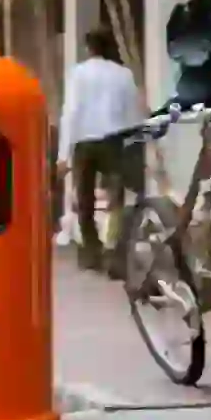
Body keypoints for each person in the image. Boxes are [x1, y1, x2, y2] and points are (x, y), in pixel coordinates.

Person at [56, 27, 143, 272]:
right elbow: (133, 113)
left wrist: (63, 155)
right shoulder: (124, 74)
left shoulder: (78, 73)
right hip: (114, 142)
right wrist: (137, 144)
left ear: (89, 48)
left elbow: (71, 112)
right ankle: (114, 251)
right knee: (117, 198)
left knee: (85, 198)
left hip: (84, 143)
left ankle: (91, 253)